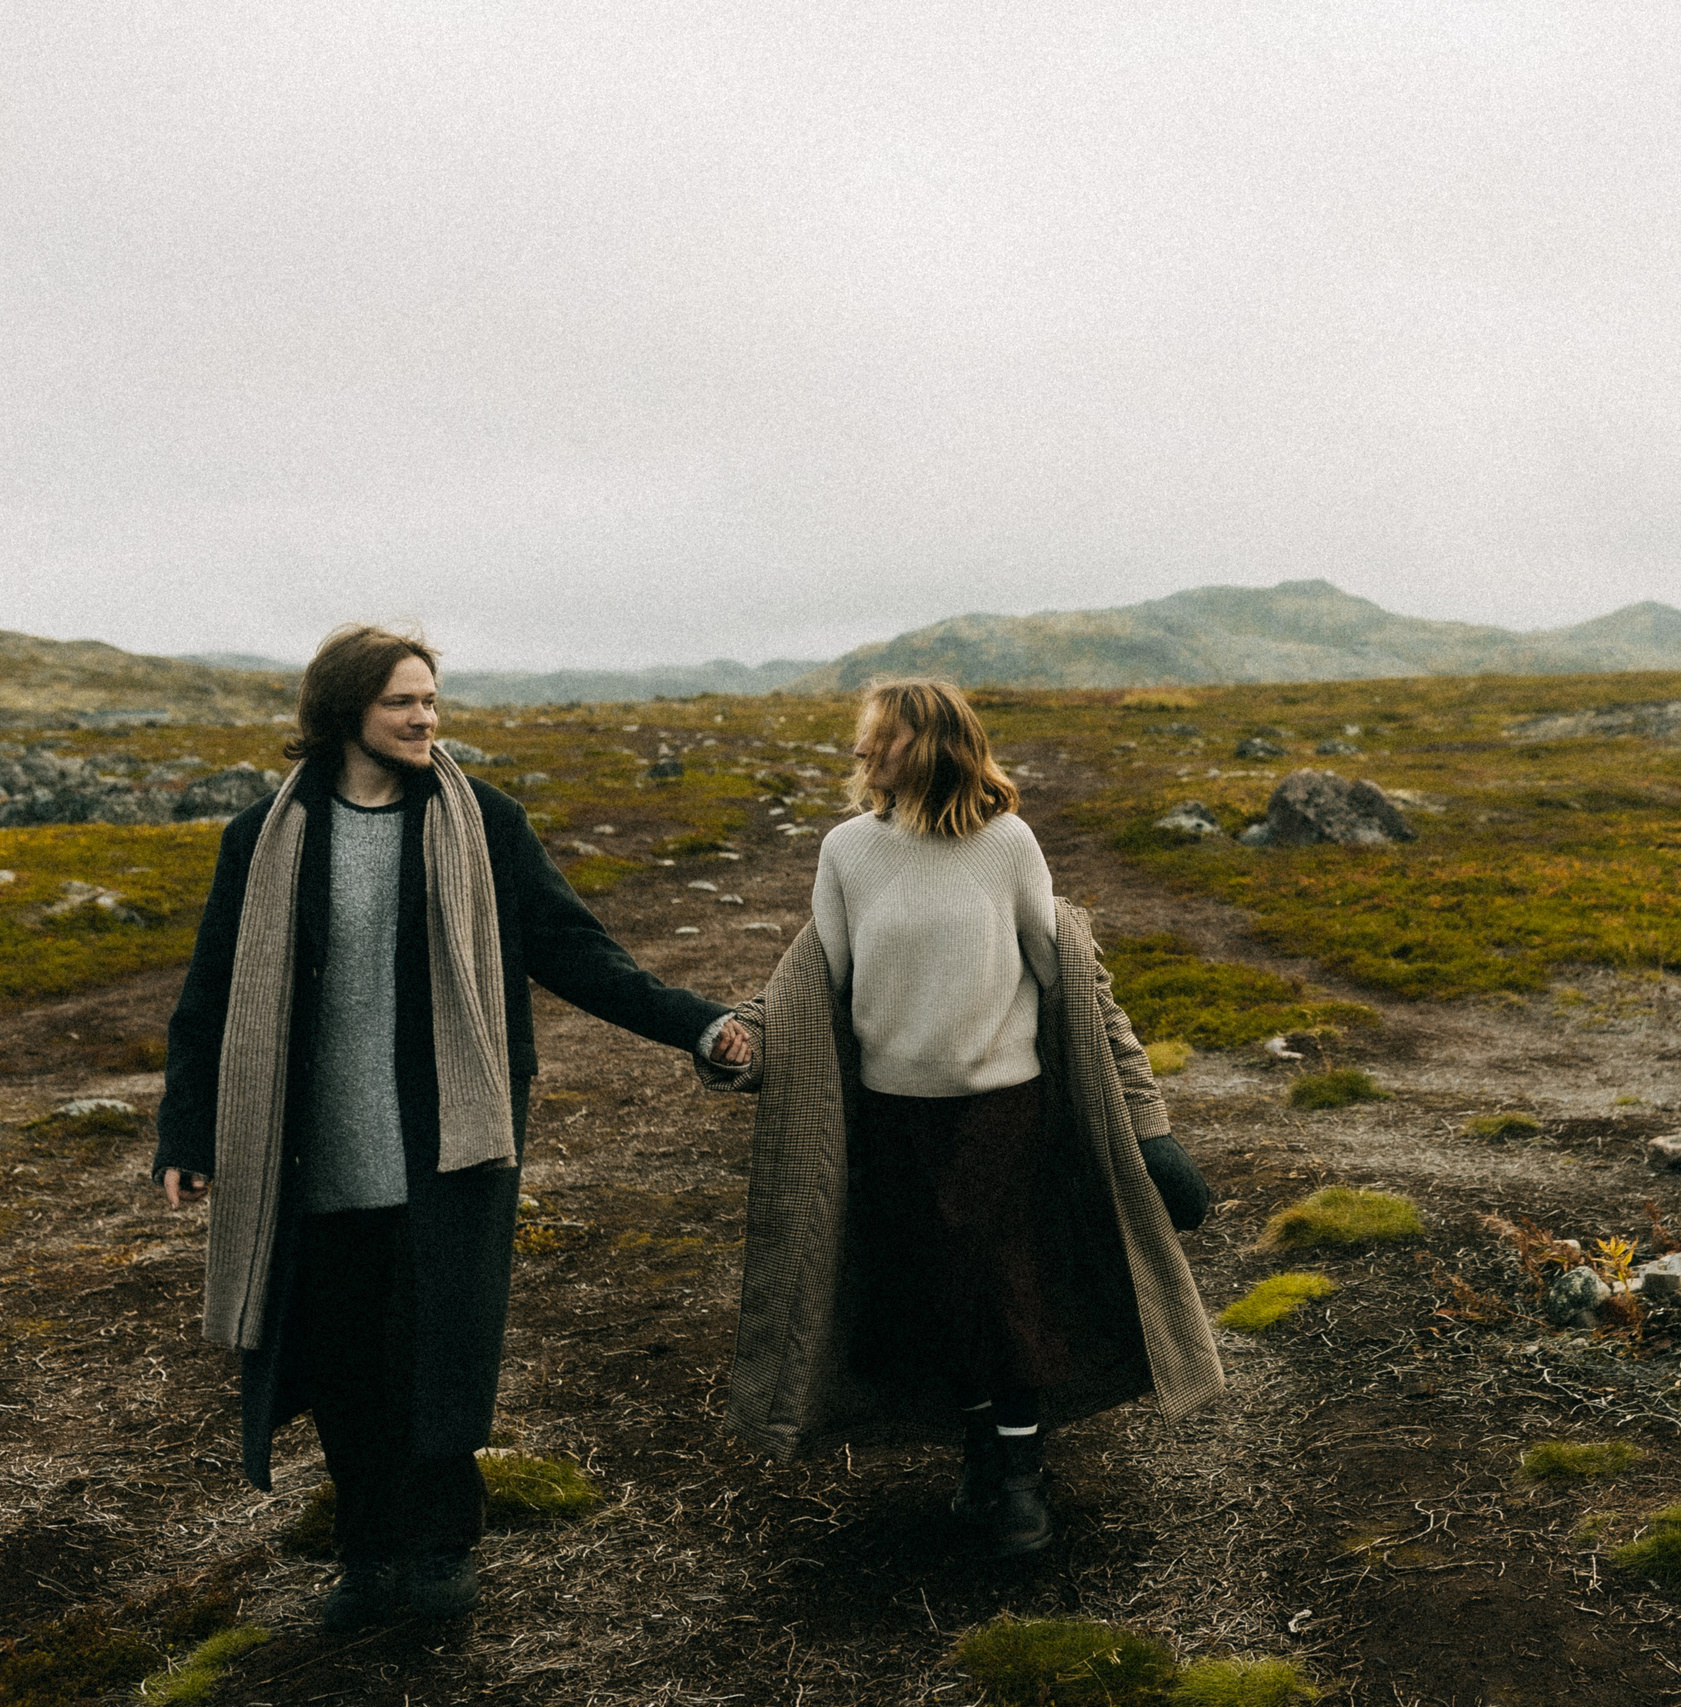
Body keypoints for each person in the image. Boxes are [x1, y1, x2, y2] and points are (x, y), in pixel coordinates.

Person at [153, 623, 751, 1630]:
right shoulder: (265, 838)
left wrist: (697, 1023)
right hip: (312, 1151)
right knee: (340, 1357)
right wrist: (187, 1130)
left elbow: (573, 951)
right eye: (401, 701)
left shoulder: (486, 826)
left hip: (446, 1148)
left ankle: (440, 1547)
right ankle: (366, 1548)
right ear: (347, 710)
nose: (424, 717)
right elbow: (211, 992)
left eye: (431, 699)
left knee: (432, 1350)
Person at [703, 678, 1218, 1557]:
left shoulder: (1006, 844)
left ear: (938, 745)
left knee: (987, 1259)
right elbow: (811, 978)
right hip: (890, 1110)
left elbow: (1075, 982)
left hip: (1000, 1103)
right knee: (930, 1277)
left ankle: (1020, 1470)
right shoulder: (847, 851)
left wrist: (1147, 1122)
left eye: (885, 738)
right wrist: (744, 1033)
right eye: (866, 737)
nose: (866, 751)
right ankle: (983, 1447)